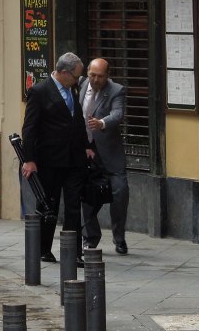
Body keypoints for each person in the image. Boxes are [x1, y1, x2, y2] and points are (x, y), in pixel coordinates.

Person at [20, 51, 94, 267]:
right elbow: (30, 128)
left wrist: (86, 146)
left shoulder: (73, 89)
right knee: (49, 204)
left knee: (73, 206)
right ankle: (44, 249)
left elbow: (77, 121)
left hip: (74, 160)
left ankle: (73, 252)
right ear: (63, 72)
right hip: (50, 160)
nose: (78, 81)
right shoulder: (40, 91)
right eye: (76, 76)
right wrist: (30, 159)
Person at [80, 57, 130, 254]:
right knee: (87, 195)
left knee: (120, 192)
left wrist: (101, 123)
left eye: (100, 76)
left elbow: (118, 114)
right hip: (86, 150)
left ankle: (119, 238)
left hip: (110, 152)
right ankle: (90, 238)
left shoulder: (116, 90)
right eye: (92, 75)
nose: (95, 79)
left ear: (107, 75)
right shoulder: (80, 85)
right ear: (87, 73)